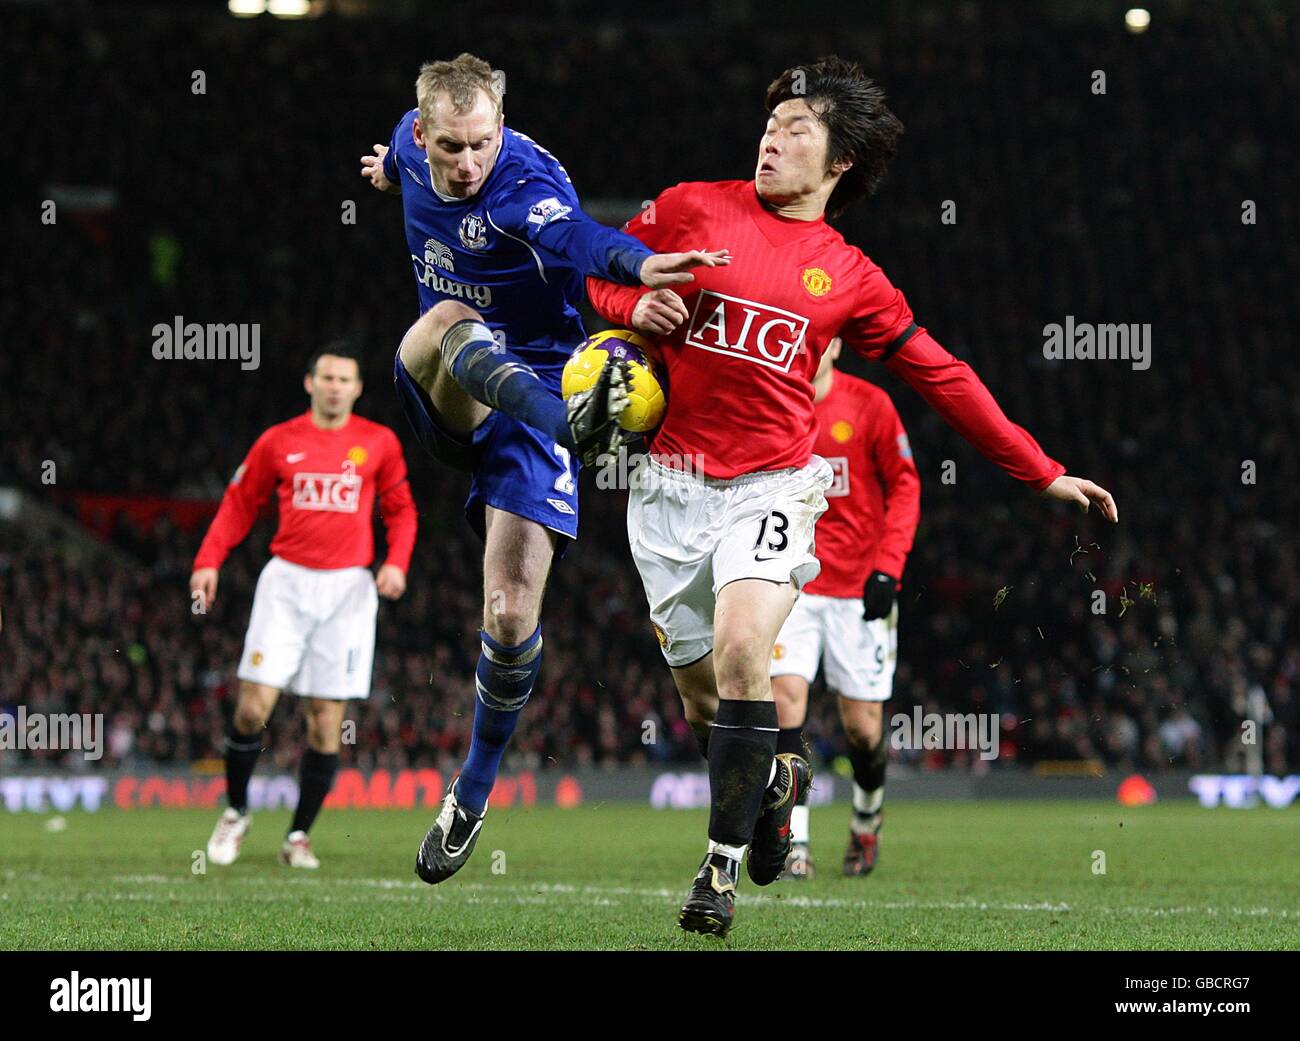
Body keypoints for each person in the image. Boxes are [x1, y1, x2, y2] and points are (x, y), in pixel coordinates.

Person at [586, 55, 1118, 936]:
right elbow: (589, 277)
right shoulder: (689, 206)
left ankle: (716, 872)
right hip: (669, 486)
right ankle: (776, 784)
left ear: (838, 163)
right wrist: (628, 306)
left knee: (745, 650)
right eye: (771, 122)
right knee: (702, 702)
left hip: (774, 486)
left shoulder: (850, 276)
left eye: (798, 128)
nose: (773, 136)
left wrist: (1038, 467)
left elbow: (942, 375)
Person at [359, 53, 727, 883]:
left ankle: (471, 792)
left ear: (500, 129)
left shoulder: (524, 185)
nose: (465, 165)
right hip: (445, 383)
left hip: (540, 375)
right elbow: (402, 162)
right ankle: (572, 427)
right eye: (448, 147)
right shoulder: (410, 147)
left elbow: (578, 238)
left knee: (511, 609)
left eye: (480, 145)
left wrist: (637, 265)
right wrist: (387, 174)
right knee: (451, 317)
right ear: (422, 132)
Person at [190, 345, 417, 868]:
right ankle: (237, 810)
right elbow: (239, 502)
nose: (336, 386)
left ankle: (297, 837)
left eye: (346, 379)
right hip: (286, 584)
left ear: (358, 389)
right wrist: (209, 561)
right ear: (309, 383)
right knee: (252, 708)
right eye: (328, 377)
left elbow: (401, 510)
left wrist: (397, 562)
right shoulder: (278, 441)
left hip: (348, 592)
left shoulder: (378, 443)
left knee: (324, 723)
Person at [767, 337, 921, 880]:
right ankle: (795, 844)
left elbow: (905, 485)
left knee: (862, 729)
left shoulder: (869, 405)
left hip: (859, 589)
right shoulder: (773, 400)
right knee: (786, 706)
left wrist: (889, 567)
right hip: (791, 582)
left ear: (834, 345)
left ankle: (865, 820)